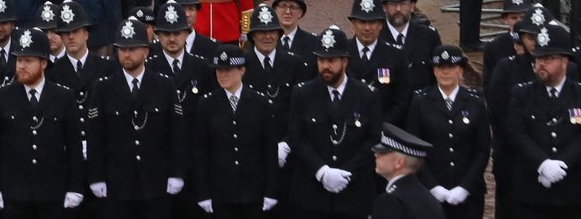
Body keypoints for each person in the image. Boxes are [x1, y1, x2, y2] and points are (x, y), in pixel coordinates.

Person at [0, 25, 81, 216]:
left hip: (52, 193)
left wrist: (75, 187)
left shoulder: (64, 96)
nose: (21, 66)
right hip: (14, 193)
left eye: (28, 60)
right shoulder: (1, 96)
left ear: (43, 63)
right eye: (19, 60)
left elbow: (73, 146)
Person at [87, 17, 185, 219]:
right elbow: (96, 137)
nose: (127, 54)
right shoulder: (103, 88)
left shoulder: (164, 86)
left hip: (156, 182)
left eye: (132, 49)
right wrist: (96, 177)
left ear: (146, 52)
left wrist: (177, 173)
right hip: (118, 184)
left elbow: (176, 135)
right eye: (122, 49)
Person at [284, 26, 382, 217]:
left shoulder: (367, 95)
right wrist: (322, 172)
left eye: (331, 60)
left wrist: (346, 173)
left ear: (345, 61)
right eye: (321, 60)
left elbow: (374, 139)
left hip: (353, 195)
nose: (325, 66)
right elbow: (296, 137)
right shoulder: (302, 93)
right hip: (312, 195)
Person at [185, 44, 278, 219]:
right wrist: (203, 193)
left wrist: (271, 190)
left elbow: (269, 151)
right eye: (219, 70)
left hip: (254, 191)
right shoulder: (207, 104)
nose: (222, 74)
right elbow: (200, 152)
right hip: (220, 193)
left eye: (228, 69)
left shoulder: (260, 102)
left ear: (242, 70)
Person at [403, 46, 487, 218]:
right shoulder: (420, 101)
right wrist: (432, 186)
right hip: (430, 190)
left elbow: (483, 149)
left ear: (460, 70)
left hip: (468, 191)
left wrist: (466, 186)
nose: (445, 72)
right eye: (441, 67)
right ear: (434, 70)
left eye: (451, 67)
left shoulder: (475, 102)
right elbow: (413, 147)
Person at [508, 21, 580, 216]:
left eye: (548, 58)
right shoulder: (522, 94)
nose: (541, 64)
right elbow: (516, 132)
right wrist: (542, 163)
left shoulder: (578, 94)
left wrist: (562, 164)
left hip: (572, 191)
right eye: (538, 58)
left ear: (564, 61)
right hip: (532, 191)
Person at [371, 123, 446, 219]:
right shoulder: (431, 200)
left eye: (382, 152)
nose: (376, 155)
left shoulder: (391, 201)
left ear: (399, 163)